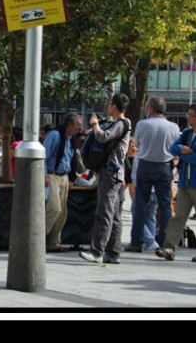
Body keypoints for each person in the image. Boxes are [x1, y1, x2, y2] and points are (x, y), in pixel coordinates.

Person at [156, 104, 196, 262]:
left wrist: (182, 156)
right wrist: (182, 149)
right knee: (178, 218)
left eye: (191, 115)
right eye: (187, 114)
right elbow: (172, 148)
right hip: (184, 183)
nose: (187, 117)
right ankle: (169, 248)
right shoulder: (187, 133)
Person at [79, 93, 131, 265]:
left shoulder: (122, 123)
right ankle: (113, 252)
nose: (108, 106)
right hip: (115, 175)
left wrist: (94, 125)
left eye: (110, 103)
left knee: (104, 213)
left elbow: (102, 137)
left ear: (114, 106)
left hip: (111, 174)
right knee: (114, 214)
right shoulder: (120, 124)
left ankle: (97, 251)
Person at [124, 96, 180, 253]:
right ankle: (164, 242)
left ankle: (137, 242)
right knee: (165, 206)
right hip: (164, 166)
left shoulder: (142, 124)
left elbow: (139, 144)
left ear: (151, 108)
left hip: (146, 165)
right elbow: (175, 148)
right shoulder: (174, 127)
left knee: (140, 204)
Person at [44, 113, 84, 253]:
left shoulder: (71, 138)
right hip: (53, 175)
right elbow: (44, 155)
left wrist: (72, 178)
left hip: (64, 177)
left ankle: (54, 243)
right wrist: (44, 175)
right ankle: (38, 238)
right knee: (54, 208)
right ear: (70, 124)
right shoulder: (55, 135)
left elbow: (71, 160)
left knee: (62, 213)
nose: (80, 128)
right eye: (78, 125)